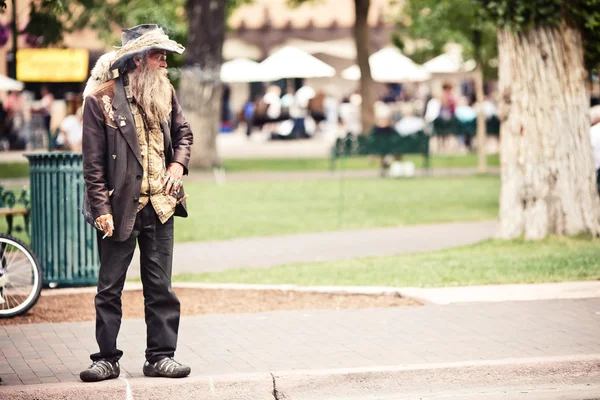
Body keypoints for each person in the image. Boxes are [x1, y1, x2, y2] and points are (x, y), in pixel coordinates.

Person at [80, 24, 193, 383]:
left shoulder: (166, 91)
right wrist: (101, 210)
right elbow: (93, 166)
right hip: (119, 209)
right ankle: (106, 359)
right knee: (109, 289)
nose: (164, 62)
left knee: (161, 288)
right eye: (159, 55)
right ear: (139, 59)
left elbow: (184, 134)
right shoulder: (100, 100)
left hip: (161, 205)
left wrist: (178, 163)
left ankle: (160, 357)